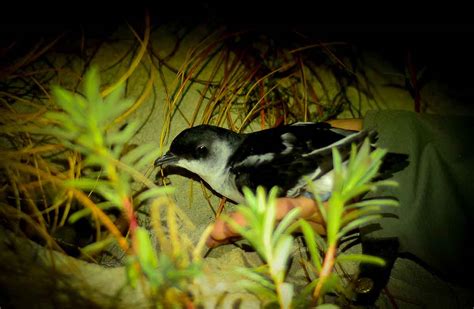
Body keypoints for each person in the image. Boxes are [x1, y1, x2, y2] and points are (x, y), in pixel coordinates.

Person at [206, 110, 474, 302]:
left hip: (349, 166)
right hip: (375, 147)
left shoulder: (241, 176)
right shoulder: (253, 149)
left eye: (197, 153)